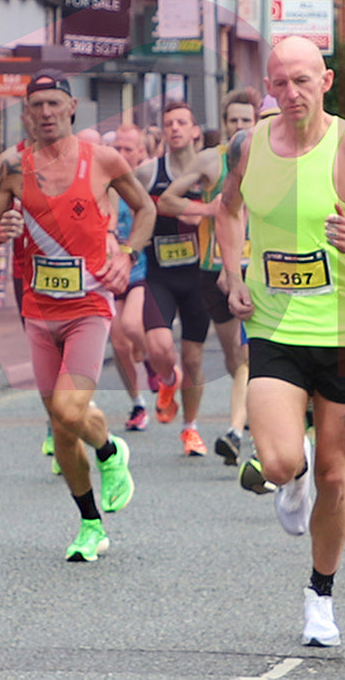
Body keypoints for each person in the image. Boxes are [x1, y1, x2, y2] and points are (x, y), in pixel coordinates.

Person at [215, 36, 345, 647]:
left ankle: (319, 596)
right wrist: (230, 271)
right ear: (266, 88)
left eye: (302, 81)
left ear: (325, 81)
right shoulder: (247, 146)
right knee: (278, 461)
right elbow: (225, 211)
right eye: (280, 83)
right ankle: (288, 475)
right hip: (274, 328)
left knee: (336, 475)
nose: (291, 93)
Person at [0, 70, 154, 560]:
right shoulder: (11, 166)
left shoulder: (104, 160)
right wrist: (0, 230)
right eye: (37, 105)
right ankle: (90, 525)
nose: (46, 113)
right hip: (38, 309)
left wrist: (128, 255)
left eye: (55, 104)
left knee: (71, 410)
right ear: (26, 112)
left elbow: (145, 211)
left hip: (89, 306)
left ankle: (111, 451)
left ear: (72, 107)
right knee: (59, 424)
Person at [156, 90, 260, 464]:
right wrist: (208, 208)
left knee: (250, 355)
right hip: (214, 272)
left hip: (257, 270)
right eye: (232, 120)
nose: (237, 126)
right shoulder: (209, 161)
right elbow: (167, 200)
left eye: (245, 120)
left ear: (257, 122)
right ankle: (249, 411)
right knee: (235, 357)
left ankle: (239, 427)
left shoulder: (271, 157)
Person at [135, 100, 215, 456]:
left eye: (182, 122)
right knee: (159, 346)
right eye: (168, 123)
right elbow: (120, 197)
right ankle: (167, 379)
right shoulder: (148, 173)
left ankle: (190, 428)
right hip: (159, 274)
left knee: (194, 358)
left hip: (198, 276)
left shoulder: (211, 171)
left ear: (196, 130)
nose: (175, 128)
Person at [107, 123, 152, 431]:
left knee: (132, 326)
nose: (122, 154)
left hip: (137, 267)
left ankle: (151, 362)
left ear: (140, 153)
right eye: (117, 148)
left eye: (128, 149)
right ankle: (138, 402)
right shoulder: (104, 183)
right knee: (118, 342)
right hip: (109, 271)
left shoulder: (145, 182)